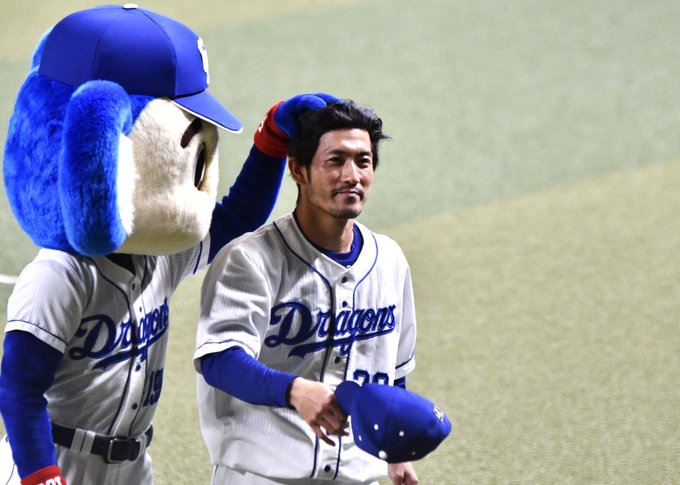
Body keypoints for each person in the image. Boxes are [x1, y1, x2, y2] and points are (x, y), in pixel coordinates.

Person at [195, 99, 419, 485]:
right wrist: (293, 391)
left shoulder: (390, 261)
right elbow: (220, 359)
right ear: (298, 170)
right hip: (260, 476)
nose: (352, 175)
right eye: (336, 161)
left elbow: (393, 374)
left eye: (363, 161)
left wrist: (395, 449)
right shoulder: (249, 259)